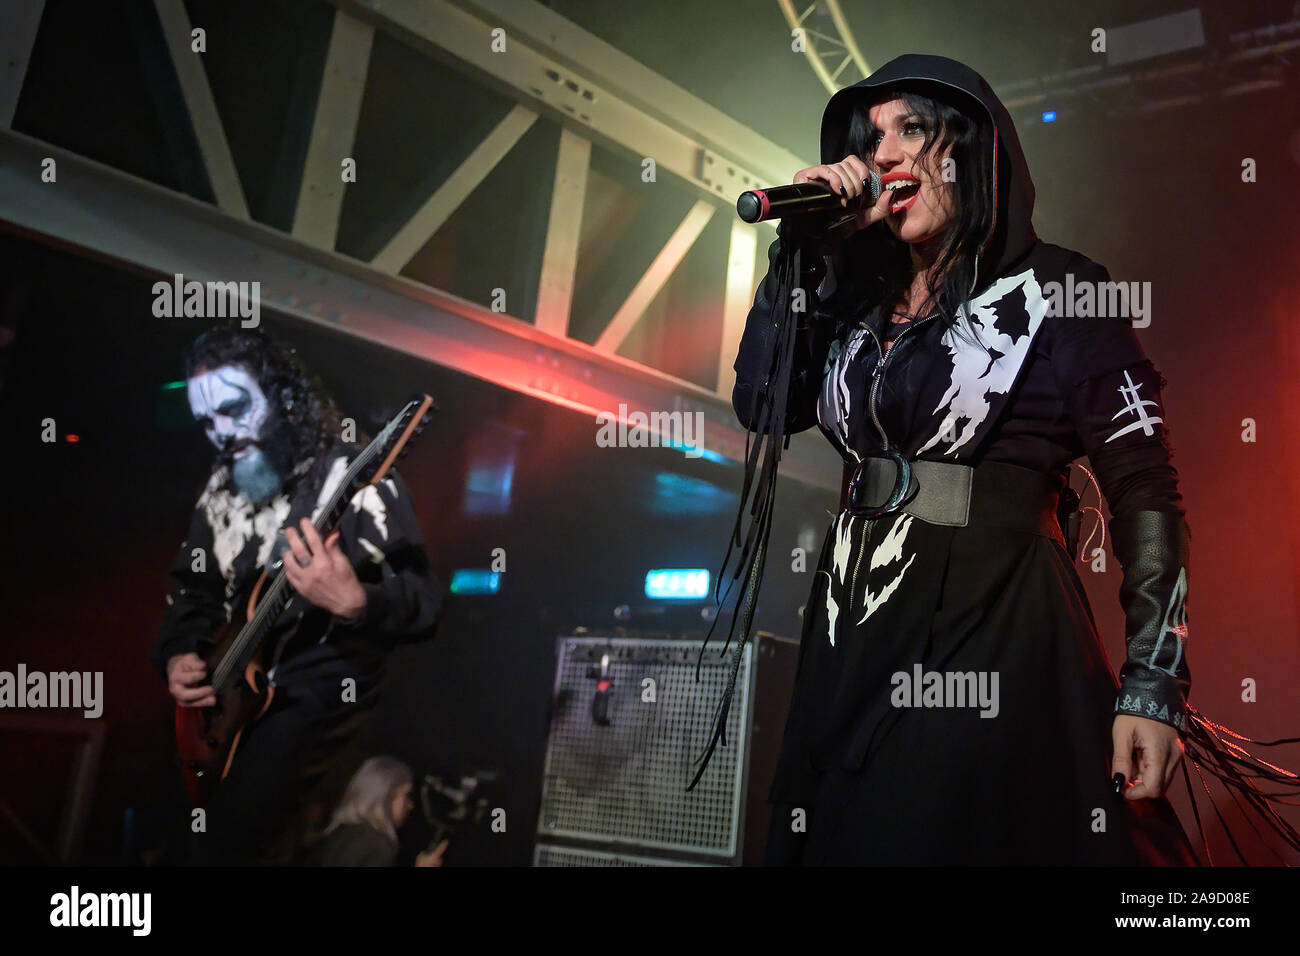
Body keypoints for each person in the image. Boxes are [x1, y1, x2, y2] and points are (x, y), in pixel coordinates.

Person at [733, 54, 1201, 865]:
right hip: (853, 637)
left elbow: (1145, 486)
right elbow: (759, 408)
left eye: (911, 130)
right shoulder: (851, 299)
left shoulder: (1060, 287)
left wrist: (1153, 684)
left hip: (994, 629)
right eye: (872, 137)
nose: (881, 156)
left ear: (972, 151)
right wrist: (800, 253)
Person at [150, 325, 443, 865]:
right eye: (206, 421)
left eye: (236, 408)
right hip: (227, 711)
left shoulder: (351, 477)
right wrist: (178, 652)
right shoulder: (220, 489)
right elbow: (193, 590)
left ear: (282, 397)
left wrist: (358, 602)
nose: (221, 431)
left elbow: (423, 599)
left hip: (315, 705)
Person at [309, 756, 448, 866]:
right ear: (386, 796)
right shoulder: (377, 847)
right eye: (406, 795)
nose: (410, 805)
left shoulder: (339, 831)